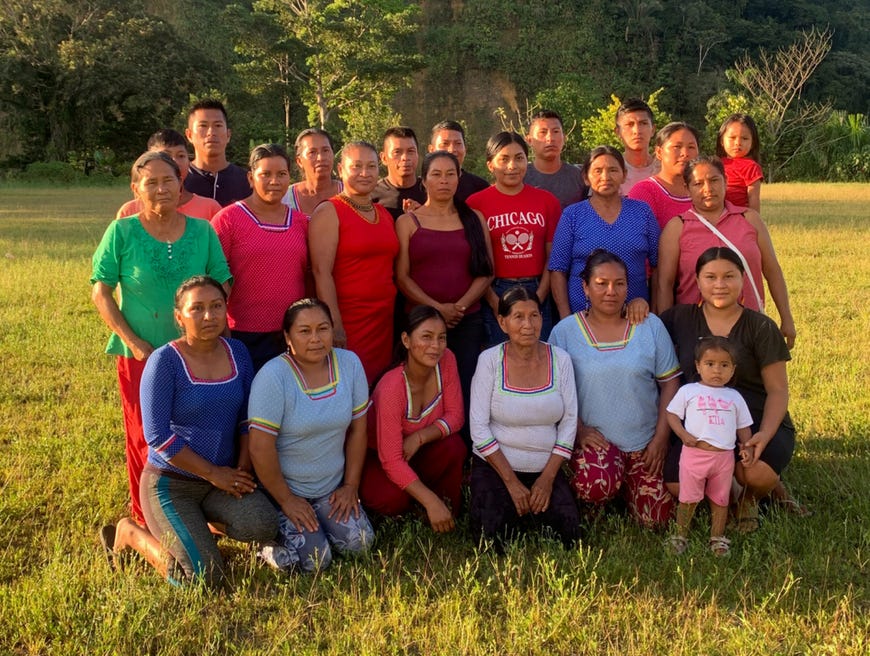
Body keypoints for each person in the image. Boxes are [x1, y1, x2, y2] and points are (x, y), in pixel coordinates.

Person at [101, 277, 277, 588]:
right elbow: (158, 437)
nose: (208, 316)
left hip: (219, 479)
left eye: (216, 306)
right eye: (197, 309)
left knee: (263, 524)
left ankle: (197, 529)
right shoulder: (164, 362)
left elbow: (246, 418)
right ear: (179, 316)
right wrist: (213, 473)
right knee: (203, 580)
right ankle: (131, 533)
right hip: (171, 484)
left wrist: (241, 469)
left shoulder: (237, 352)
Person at [91, 151, 232, 527]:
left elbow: (222, 281)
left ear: (180, 182)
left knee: (197, 431)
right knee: (146, 436)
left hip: (199, 354)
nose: (160, 189)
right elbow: (100, 293)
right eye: (150, 182)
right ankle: (145, 519)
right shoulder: (122, 232)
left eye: (167, 180)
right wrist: (135, 342)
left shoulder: (202, 231)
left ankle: (196, 508)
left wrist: (206, 325)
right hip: (142, 355)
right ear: (136, 189)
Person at [660, 247, 797, 533]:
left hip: (755, 420)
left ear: (743, 278)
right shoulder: (680, 318)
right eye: (710, 277)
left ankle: (751, 496)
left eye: (729, 276)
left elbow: (777, 391)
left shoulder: (760, 326)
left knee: (755, 472)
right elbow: (644, 333)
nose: (719, 284)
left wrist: (763, 436)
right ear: (696, 281)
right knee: (676, 484)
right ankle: (742, 495)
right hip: (704, 425)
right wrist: (635, 303)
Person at [548, 250, 680, 528]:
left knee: (657, 519)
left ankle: (626, 488)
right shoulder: (565, 332)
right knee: (593, 487)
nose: (611, 291)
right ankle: (603, 494)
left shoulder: (650, 325)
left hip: (644, 444)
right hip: (594, 443)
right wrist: (579, 430)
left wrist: (660, 439)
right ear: (585, 286)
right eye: (601, 283)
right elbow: (555, 392)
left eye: (619, 284)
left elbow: (669, 383)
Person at [248, 299, 374, 572]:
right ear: (287, 337)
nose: (316, 339)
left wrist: (350, 486)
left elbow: (358, 430)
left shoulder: (350, 364)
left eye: (323, 328)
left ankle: (319, 523)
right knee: (315, 561)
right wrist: (287, 500)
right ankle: (267, 541)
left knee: (361, 543)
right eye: (304, 331)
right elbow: (260, 448)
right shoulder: (273, 376)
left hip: (330, 489)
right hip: (285, 492)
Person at [469, 286, 581, 548]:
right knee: (490, 539)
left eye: (534, 316)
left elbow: (568, 421)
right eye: (518, 317)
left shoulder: (560, 359)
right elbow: (478, 427)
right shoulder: (489, 361)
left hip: (545, 467)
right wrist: (512, 482)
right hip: (497, 467)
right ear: (502, 322)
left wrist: (547, 479)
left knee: (569, 535)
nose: (528, 324)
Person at [395, 150, 493, 437]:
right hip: (420, 322)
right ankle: (421, 440)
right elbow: (402, 277)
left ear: (459, 177)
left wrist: (459, 307)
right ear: (424, 181)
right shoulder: (408, 222)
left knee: (463, 383)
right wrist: (436, 308)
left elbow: (486, 272)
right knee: (423, 383)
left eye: (450, 174)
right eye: (436, 174)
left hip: (467, 319)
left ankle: (465, 450)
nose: (444, 181)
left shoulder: (474, 219)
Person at [656, 156, 796, 347]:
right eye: (698, 183)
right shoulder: (677, 227)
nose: (708, 189)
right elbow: (665, 283)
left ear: (726, 181)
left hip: (748, 325)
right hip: (694, 330)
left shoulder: (749, 219)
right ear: (687, 188)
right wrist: (666, 331)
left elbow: (773, 271)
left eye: (714, 180)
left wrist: (786, 317)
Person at [359, 306, 467, 531]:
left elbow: (456, 417)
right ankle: (426, 505)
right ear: (406, 340)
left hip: (417, 450)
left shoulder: (447, 360)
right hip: (378, 458)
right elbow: (390, 460)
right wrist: (430, 501)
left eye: (441, 338)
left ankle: (446, 509)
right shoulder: (392, 387)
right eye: (426, 337)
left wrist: (419, 437)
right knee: (391, 499)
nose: (435, 346)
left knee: (454, 447)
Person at [211, 144, 310, 371]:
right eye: (265, 174)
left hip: (292, 332)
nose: (274, 181)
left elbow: (309, 274)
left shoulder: (300, 222)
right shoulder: (228, 220)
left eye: (281, 174)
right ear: (250, 178)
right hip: (242, 333)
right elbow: (214, 279)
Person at [309, 141, 400, 383]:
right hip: (349, 321)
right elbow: (321, 272)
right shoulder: (329, 211)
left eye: (371, 166)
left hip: (383, 321)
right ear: (340, 169)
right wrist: (334, 324)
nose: (365, 173)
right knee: (350, 385)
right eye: (356, 166)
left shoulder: (384, 214)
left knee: (378, 387)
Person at [467, 131, 561, 345]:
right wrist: (493, 300)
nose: (512, 166)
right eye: (504, 159)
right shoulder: (475, 204)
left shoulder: (546, 201)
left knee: (539, 355)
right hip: (497, 290)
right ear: (490, 165)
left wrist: (539, 296)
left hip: (537, 288)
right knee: (501, 359)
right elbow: (474, 259)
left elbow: (552, 257)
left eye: (519, 158)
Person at [549, 146, 659, 322]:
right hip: (583, 317)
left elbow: (658, 265)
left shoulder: (642, 212)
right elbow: (557, 269)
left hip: (635, 317)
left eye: (613, 170)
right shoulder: (573, 215)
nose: (605, 177)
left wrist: (653, 311)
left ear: (624, 174)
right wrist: (566, 318)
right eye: (598, 171)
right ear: (586, 177)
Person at [665, 336, 753, 556]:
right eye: (710, 364)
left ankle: (718, 538)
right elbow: (672, 414)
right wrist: (683, 434)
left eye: (724, 365)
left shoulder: (734, 397)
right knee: (687, 498)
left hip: (723, 458)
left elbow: (743, 427)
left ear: (733, 369)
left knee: (721, 498)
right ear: (698, 366)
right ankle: (680, 536)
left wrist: (747, 446)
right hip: (695, 454)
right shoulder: (689, 391)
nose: (717, 371)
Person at [116, 129, 221, 221]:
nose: (175, 162)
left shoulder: (209, 208)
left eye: (181, 156)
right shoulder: (130, 211)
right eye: (166, 156)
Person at [627, 122, 700, 230]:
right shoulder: (644, 192)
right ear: (659, 152)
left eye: (691, 147)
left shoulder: (705, 190)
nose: (685, 153)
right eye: (677, 147)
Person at [184, 99, 252, 207]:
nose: (211, 132)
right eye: (203, 126)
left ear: (228, 135)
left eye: (218, 125)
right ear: (189, 135)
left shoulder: (248, 181)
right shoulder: (180, 180)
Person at [524, 110, 587, 209]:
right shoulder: (520, 177)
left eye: (556, 131)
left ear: (565, 138)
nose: (550, 138)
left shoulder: (579, 177)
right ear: (529, 140)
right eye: (543, 132)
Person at [281, 128, 344, 216]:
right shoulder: (285, 199)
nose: (321, 158)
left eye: (325, 150)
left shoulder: (350, 194)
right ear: (299, 161)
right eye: (312, 152)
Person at [371, 126, 427, 220]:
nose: (405, 157)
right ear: (384, 158)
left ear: (417, 155)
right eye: (397, 152)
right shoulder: (372, 196)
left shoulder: (430, 192)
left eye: (411, 151)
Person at [428, 120, 490, 202]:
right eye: (445, 144)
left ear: (465, 149)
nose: (452, 150)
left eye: (458, 143)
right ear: (431, 150)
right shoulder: (421, 188)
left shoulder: (481, 188)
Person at [717, 113, 763, 211]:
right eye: (732, 138)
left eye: (744, 138)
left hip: (738, 218)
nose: (738, 143)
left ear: (753, 142)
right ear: (722, 140)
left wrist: (754, 223)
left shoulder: (751, 167)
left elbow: (753, 198)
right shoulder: (715, 164)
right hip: (714, 217)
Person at [614, 98, 660, 195]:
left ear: (653, 129)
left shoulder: (665, 170)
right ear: (618, 132)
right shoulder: (610, 171)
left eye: (643, 123)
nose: (637, 131)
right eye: (629, 124)